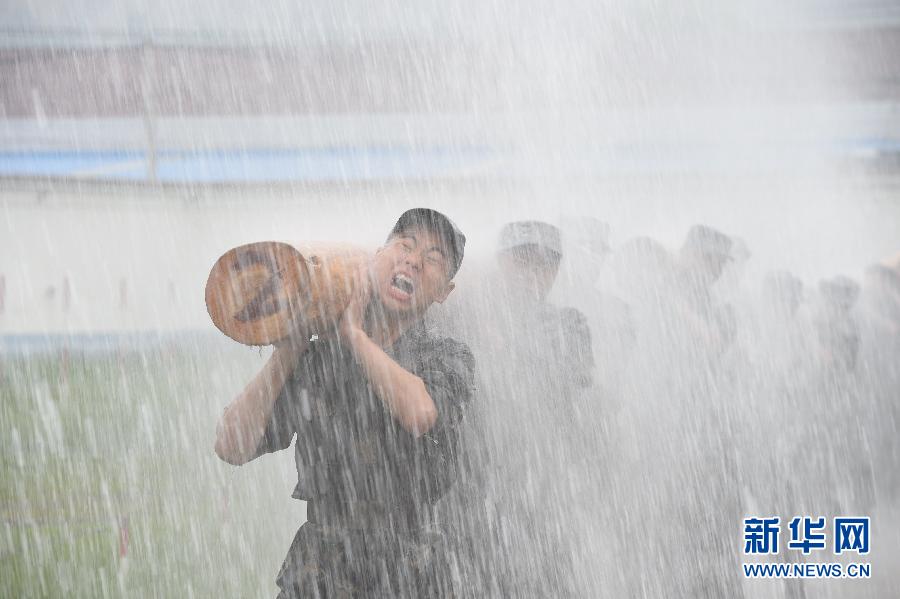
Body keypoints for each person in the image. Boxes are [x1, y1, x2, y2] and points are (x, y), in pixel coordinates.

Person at [214, 208, 475, 598]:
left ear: (443, 292)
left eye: (434, 258)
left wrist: (356, 335)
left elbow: (419, 413)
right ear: (377, 257)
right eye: (405, 244)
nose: (413, 260)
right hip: (321, 566)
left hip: (408, 566)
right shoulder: (321, 358)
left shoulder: (446, 355)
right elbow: (231, 446)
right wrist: (289, 350)